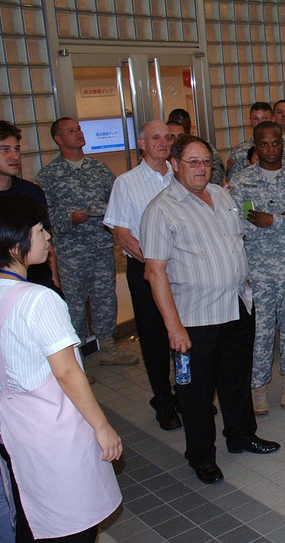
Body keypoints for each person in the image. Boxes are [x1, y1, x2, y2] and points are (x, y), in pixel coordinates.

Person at [141, 135, 280, 484]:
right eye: (193, 162)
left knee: (236, 380)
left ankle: (241, 435)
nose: (202, 168)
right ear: (174, 164)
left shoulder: (221, 195)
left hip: (237, 306)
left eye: (206, 161)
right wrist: (173, 328)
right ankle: (201, 455)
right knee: (196, 394)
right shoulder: (160, 209)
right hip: (195, 319)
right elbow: (154, 272)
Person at [0, 197, 122, 542]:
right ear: (16, 244)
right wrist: (102, 426)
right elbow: (67, 373)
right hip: (53, 429)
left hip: (13, 427)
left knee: (31, 515)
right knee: (72, 524)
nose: (48, 237)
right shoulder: (37, 298)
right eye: (39, 230)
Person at [36, 118, 137, 366]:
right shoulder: (48, 176)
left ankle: (109, 349)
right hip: (71, 251)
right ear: (58, 139)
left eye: (79, 129)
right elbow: (44, 216)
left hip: (101, 247)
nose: (78, 134)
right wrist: (70, 218)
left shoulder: (100, 169)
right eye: (71, 131)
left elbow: (117, 202)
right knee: (74, 304)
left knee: (105, 298)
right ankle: (76, 358)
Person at [228, 122, 285, 414]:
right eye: (264, 144)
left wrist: (271, 221)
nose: (271, 149)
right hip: (256, 271)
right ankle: (258, 387)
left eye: (276, 143)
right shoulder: (240, 183)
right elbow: (236, 228)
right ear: (255, 145)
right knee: (259, 332)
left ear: (282, 144)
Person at [103, 120, 181, 430]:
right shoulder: (127, 183)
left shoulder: (181, 176)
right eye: (156, 138)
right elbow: (121, 235)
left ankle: (186, 394)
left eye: (168, 137)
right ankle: (163, 401)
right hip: (147, 270)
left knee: (186, 333)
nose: (163, 142)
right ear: (142, 144)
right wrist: (155, 262)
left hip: (184, 269)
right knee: (155, 338)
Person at [0, 119, 56, 290]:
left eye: (16, 149)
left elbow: (47, 241)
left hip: (38, 281)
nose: (14, 156)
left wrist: (55, 283)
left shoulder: (31, 192)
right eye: (4, 150)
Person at [227, 102, 273, 180]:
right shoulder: (239, 151)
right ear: (250, 121)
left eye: (265, 118)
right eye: (255, 118)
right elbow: (231, 184)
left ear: (272, 119)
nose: (260, 123)